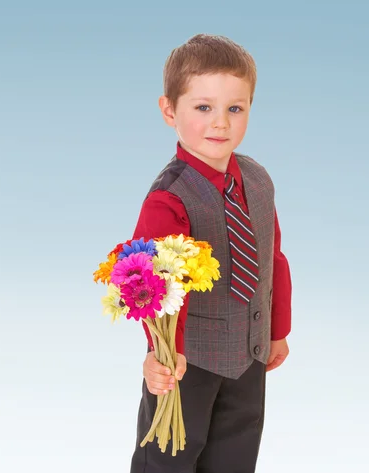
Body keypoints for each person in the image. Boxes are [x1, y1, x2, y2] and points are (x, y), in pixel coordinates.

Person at [129, 34, 292, 473]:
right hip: (188, 361)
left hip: (249, 354)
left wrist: (277, 329)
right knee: (169, 455)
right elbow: (155, 288)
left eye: (234, 109)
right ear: (170, 111)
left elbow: (271, 258)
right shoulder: (170, 198)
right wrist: (161, 353)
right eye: (203, 108)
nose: (220, 123)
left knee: (235, 451)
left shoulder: (256, 179)